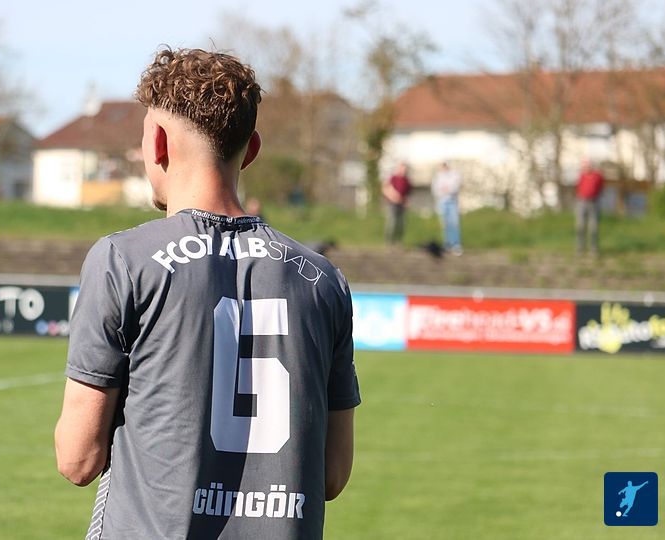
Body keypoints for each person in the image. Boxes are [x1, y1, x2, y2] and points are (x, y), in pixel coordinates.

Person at [54, 48, 361, 539]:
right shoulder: (322, 279)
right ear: (252, 150)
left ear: (158, 142)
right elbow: (333, 474)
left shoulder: (124, 260)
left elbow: (78, 459)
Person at [432, 162, 462, 255]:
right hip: (442, 202)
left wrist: (446, 189)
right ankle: (447, 244)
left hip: (452, 202)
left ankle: (456, 244)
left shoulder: (454, 175)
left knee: (454, 223)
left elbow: (454, 188)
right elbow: (436, 190)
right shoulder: (438, 177)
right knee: (445, 224)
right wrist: (445, 189)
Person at [575, 159, 604, 255]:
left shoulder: (598, 176)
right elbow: (578, 187)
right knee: (580, 226)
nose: (586, 168)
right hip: (582, 202)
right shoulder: (582, 176)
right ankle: (580, 248)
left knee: (594, 227)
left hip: (594, 202)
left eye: (588, 166)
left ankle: (593, 249)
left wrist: (595, 196)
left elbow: (601, 187)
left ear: (592, 166)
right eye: (585, 166)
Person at [382, 162, 411, 245]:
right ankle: (389, 240)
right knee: (392, 222)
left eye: (405, 169)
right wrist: (393, 196)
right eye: (402, 169)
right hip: (392, 203)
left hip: (402, 204)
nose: (403, 171)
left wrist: (405, 201)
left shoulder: (406, 180)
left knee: (401, 223)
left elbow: (407, 193)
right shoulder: (393, 178)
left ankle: (399, 241)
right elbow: (385, 188)